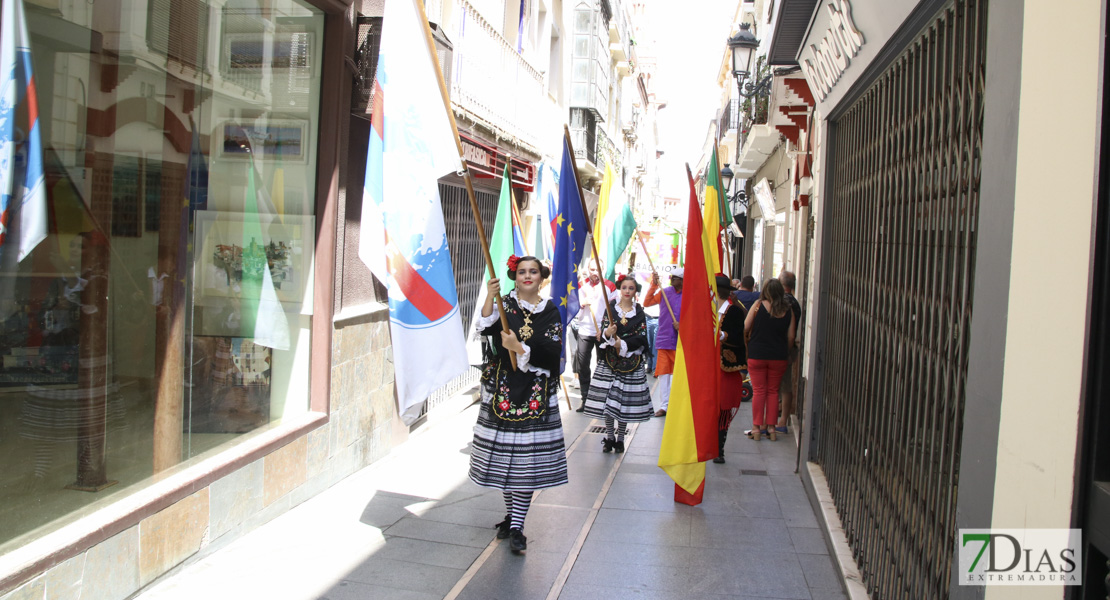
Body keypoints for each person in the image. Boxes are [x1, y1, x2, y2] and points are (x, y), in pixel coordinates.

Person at [470, 255, 568, 555]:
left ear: (542, 277)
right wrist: (489, 295)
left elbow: (552, 352)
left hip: (536, 394)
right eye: (522, 271)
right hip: (502, 391)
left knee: (525, 464)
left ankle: (517, 526)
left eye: (533, 272)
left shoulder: (550, 310)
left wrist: (520, 348)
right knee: (506, 462)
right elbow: (484, 327)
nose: (527, 276)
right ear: (515, 276)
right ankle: (512, 516)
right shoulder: (503, 304)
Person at [582, 275, 652, 453]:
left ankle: (620, 438)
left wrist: (624, 343)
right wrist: (607, 332)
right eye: (624, 288)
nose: (627, 291)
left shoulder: (640, 313)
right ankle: (609, 437)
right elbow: (603, 334)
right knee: (607, 402)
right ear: (620, 289)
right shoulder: (611, 309)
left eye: (631, 288)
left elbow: (642, 337)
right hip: (609, 362)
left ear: (635, 291)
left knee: (623, 403)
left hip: (631, 363)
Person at [743, 278, 796, 441]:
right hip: (778, 356)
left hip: (757, 354)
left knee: (759, 391)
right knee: (773, 391)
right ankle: (772, 429)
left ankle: (757, 428)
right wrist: (784, 351)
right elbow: (791, 336)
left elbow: (745, 327)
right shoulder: (788, 310)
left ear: (765, 290)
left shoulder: (758, 305)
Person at [571, 263, 614, 411]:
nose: (595, 272)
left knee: (603, 365)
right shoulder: (581, 285)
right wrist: (581, 304)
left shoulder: (610, 287)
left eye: (598, 269)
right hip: (585, 330)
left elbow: (613, 311)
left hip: (601, 332)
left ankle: (602, 399)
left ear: (604, 270)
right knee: (583, 365)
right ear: (588, 270)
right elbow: (573, 309)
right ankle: (585, 399)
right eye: (592, 269)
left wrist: (604, 329)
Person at [714, 275, 747, 463]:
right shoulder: (707, 310)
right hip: (708, 369)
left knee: (723, 409)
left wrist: (723, 334)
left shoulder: (733, 311)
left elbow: (737, 337)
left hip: (725, 368)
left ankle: (719, 449)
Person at [643, 269, 682, 416]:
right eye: (672, 277)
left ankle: (676, 404)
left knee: (677, 375)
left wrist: (682, 326)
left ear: (683, 281)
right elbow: (647, 302)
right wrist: (653, 284)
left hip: (680, 341)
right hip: (664, 339)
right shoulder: (665, 292)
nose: (672, 279)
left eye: (676, 278)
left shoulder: (690, 295)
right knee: (664, 374)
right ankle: (664, 406)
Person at [776, 271, 802, 436]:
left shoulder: (782, 302)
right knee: (784, 386)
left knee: (777, 386)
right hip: (786, 349)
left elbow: (790, 334)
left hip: (779, 348)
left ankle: (773, 421)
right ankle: (782, 420)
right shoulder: (796, 303)